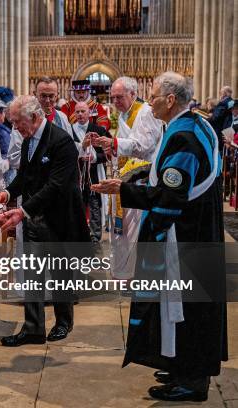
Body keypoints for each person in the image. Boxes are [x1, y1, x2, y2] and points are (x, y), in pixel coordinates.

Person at [92, 71, 227, 402]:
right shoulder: (195, 124)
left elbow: (170, 197)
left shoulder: (184, 137)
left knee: (190, 307)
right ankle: (182, 364)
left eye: (151, 95)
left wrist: (124, 190)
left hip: (186, 234)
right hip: (198, 228)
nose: (148, 101)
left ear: (170, 100)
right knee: (183, 306)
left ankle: (193, 380)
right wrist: (138, 177)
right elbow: (168, 178)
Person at [0, 95, 90, 346]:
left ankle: (63, 322)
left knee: (60, 273)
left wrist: (22, 211)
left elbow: (55, 186)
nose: (15, 127)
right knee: (32, 273)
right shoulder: (28, 141)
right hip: (35, 216)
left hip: (59, 217)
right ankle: (33, 328)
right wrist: (9, 193)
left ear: (34, 118)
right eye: (12, 122)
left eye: (17, 122)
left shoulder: (61, 141)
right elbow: (25, 176)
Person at [95, 76, 163, 279]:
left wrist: (115, 144)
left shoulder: (144, 113)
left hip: (139, 180)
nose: (115, 102)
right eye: (112, 97)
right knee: (122, 230)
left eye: (119, 97)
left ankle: (132, 274)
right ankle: (122, 272)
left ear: (133, 94)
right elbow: (126, 145)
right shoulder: (125, 114)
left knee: (133, 231)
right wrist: (111, 149)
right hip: (125, 177)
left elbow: (144, 146)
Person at [71, 101, 109, 243]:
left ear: (89, 113)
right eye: (77, 112)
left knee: (94, 206)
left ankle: (95, 237)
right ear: (74, 114)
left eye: (83, 111)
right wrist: (79, 156)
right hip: (77, 175)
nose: (80, 114)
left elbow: (107, 154)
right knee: (77, 205)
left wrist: (94, 158)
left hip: (94, 175)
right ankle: (79, 236)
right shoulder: (69, 130)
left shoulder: (98, 130)